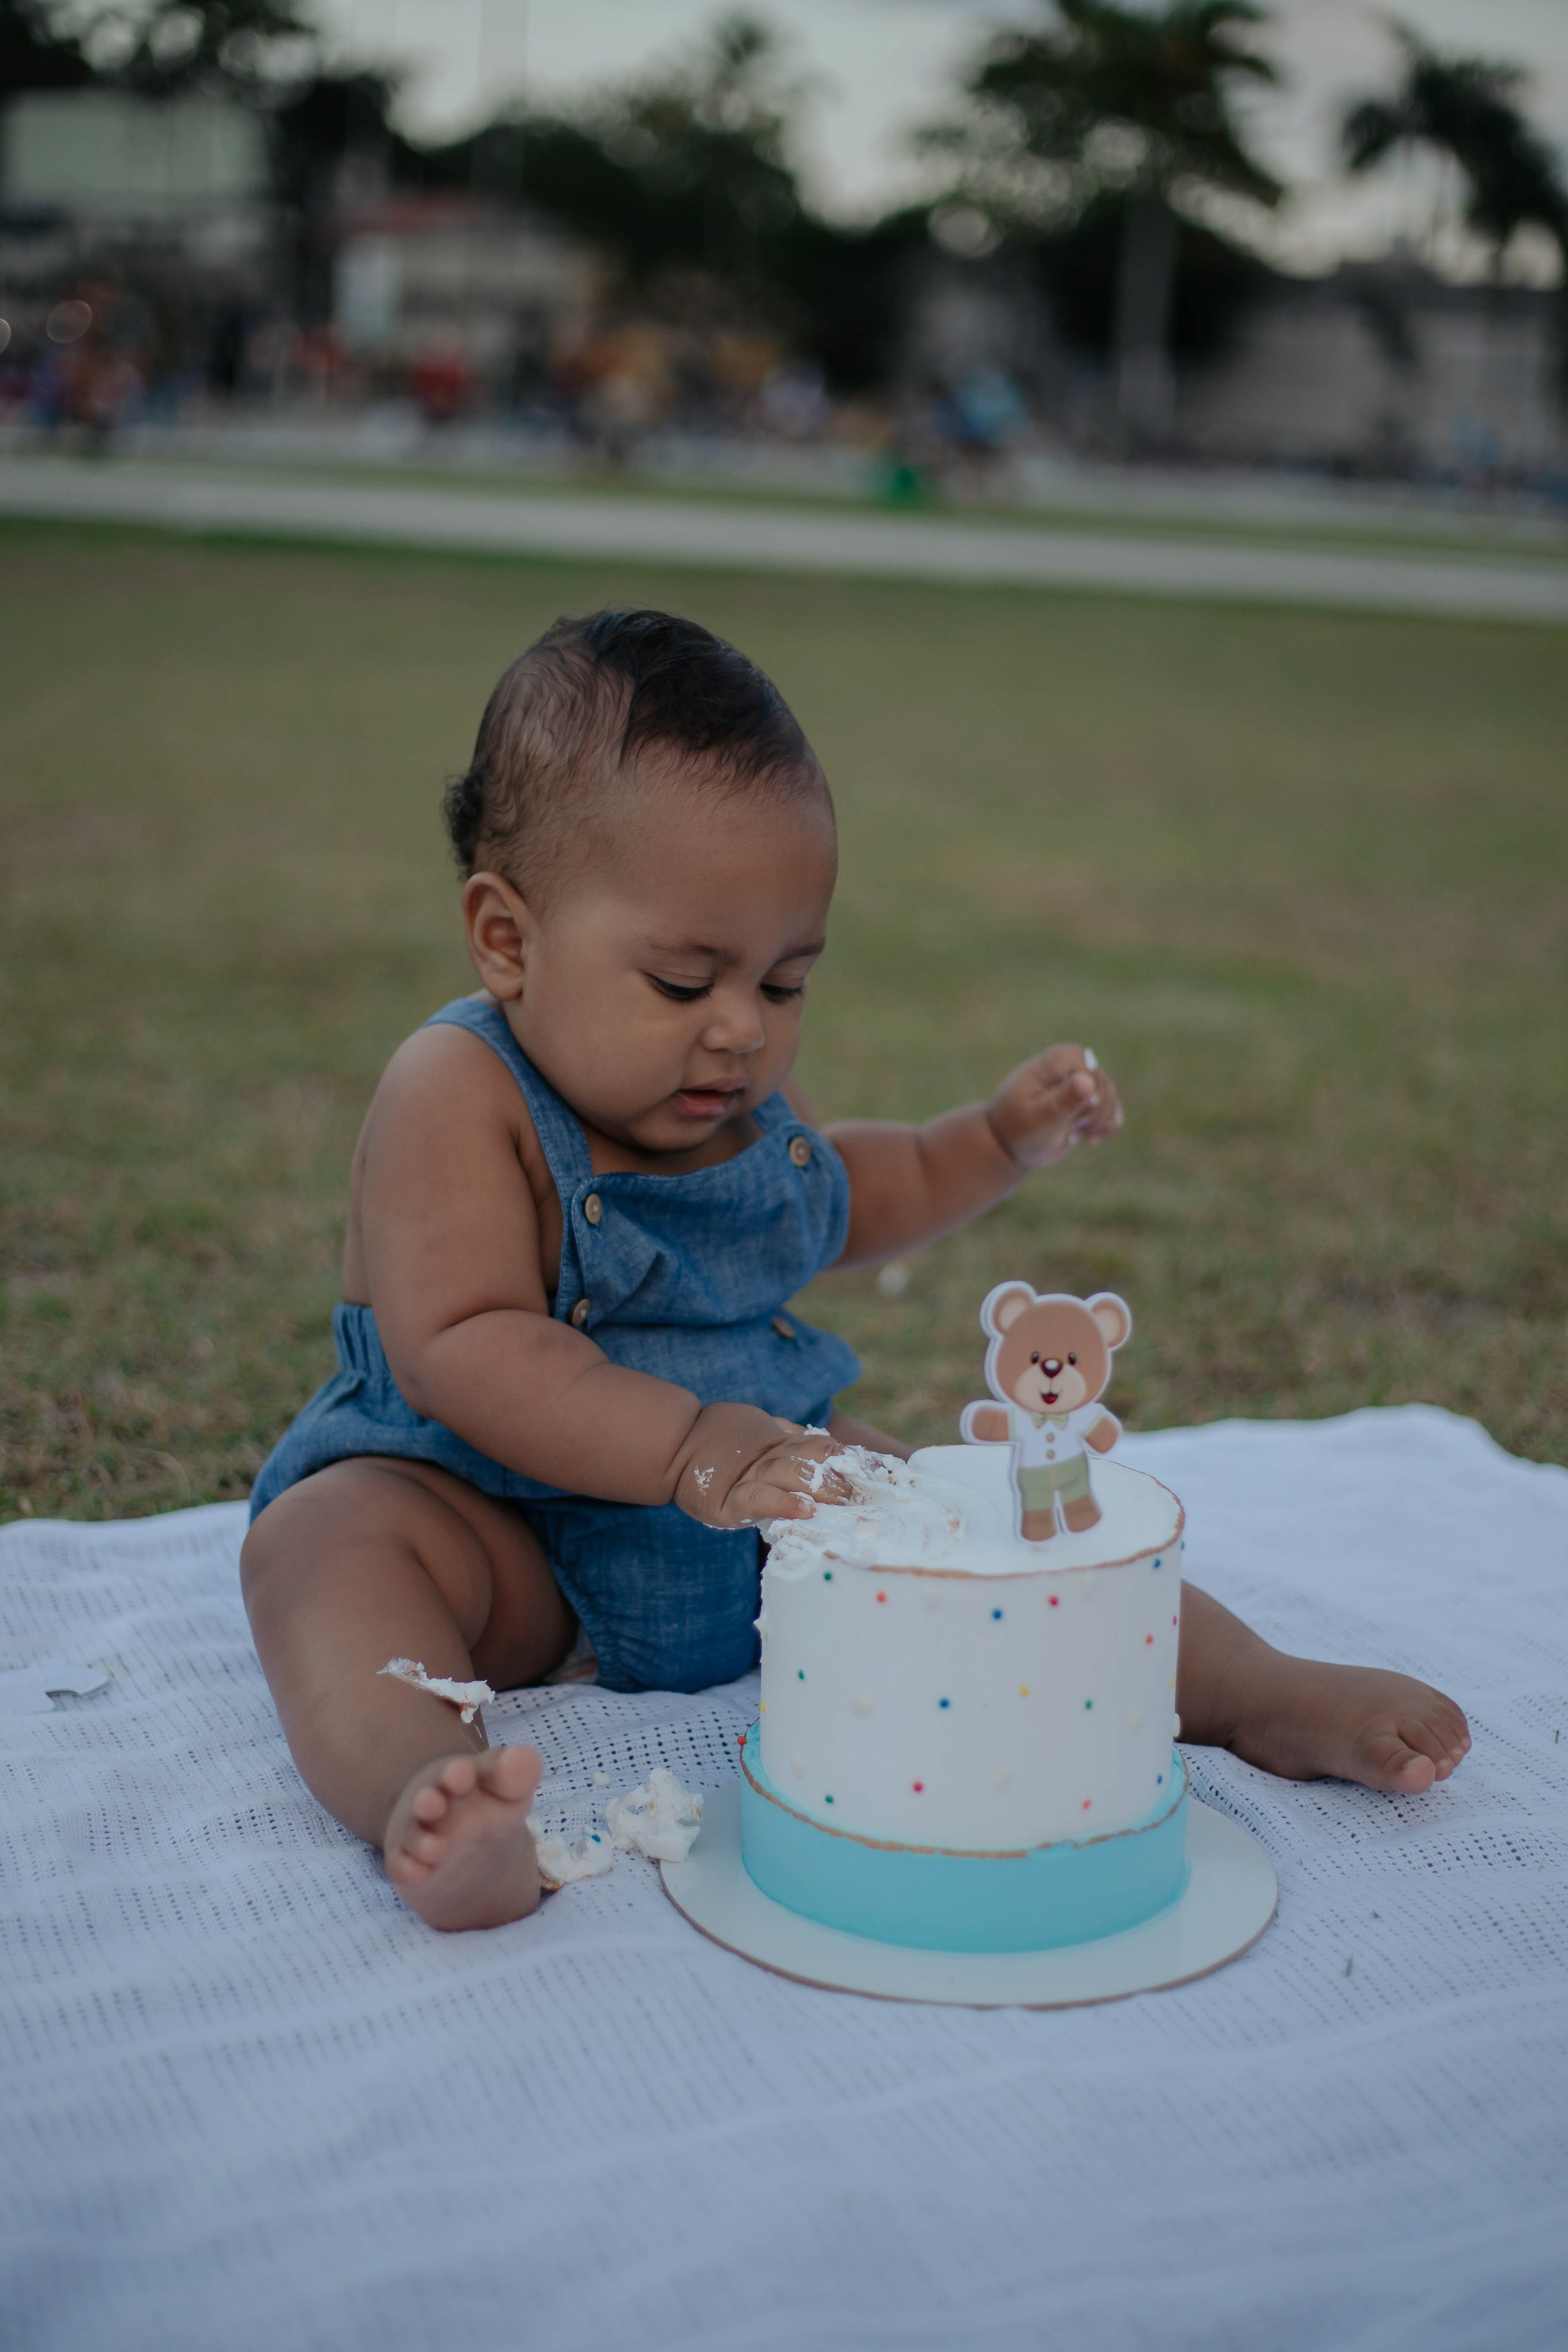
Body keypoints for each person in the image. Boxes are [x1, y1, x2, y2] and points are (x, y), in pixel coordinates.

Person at [241, 609, 1471, 1932]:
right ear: (505, 938)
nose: (739, 1031)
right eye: (681, 980)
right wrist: (692, 1448)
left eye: (783, 985)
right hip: (496, 1534)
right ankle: (428, 1787)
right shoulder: (457, 1089)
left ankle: (1238, 1685)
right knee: (324, 1545)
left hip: (758, 1497)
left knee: (960, 1512)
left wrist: (989, 1142)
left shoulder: (728, 1101)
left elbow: (847, 1194)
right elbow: (465, 1339)